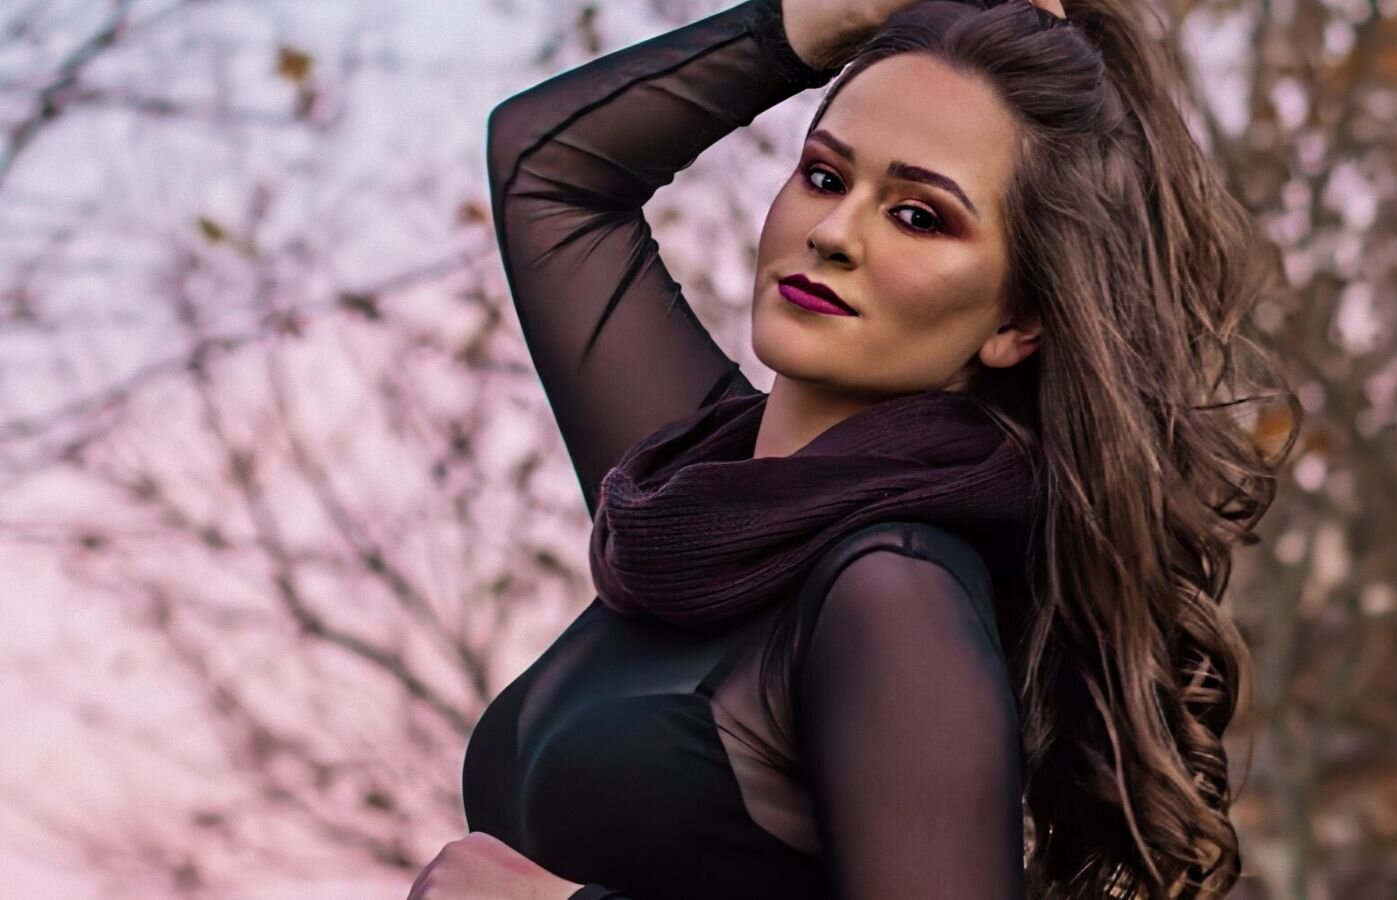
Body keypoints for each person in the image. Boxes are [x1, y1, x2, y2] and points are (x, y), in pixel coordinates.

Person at [410, 0, 1294, 897]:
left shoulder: (893, 589)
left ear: (1017, 323)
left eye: (918, 216)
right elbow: (546, 171)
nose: (833, 233)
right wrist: (834, 14)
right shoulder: (702, 499)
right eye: (826, 176)